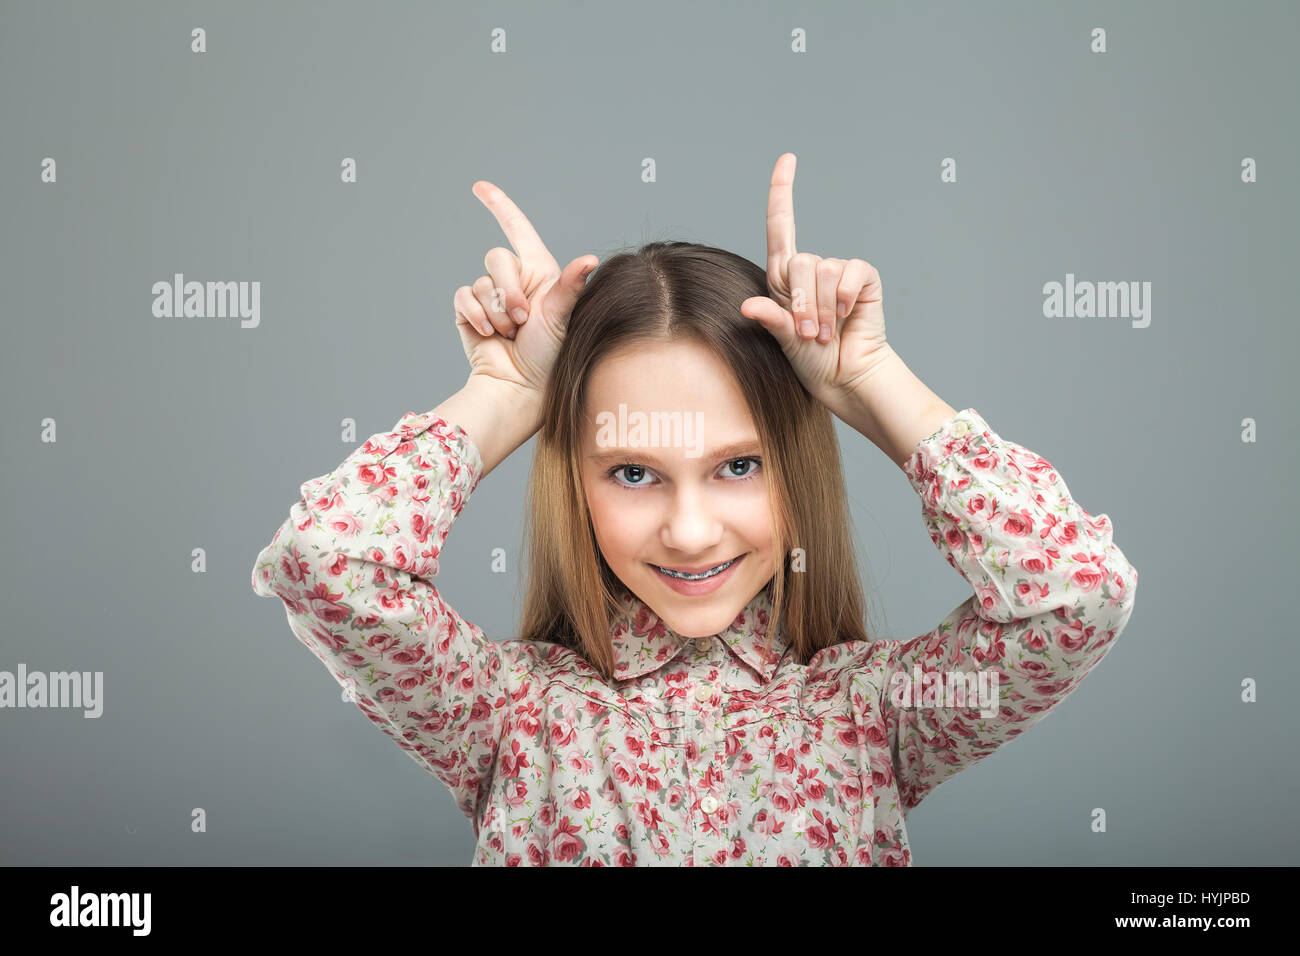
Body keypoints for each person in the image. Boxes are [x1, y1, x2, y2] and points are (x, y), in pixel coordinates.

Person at [251, 153, 1138, 866]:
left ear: (796, 467)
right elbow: (328, 562)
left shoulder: (876, 711)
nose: (690, 529)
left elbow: (1077, 593)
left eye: (739, 465)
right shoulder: (504, 713)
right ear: (576, 478)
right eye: (634, 472)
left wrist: (873, 381)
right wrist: (506, 389)